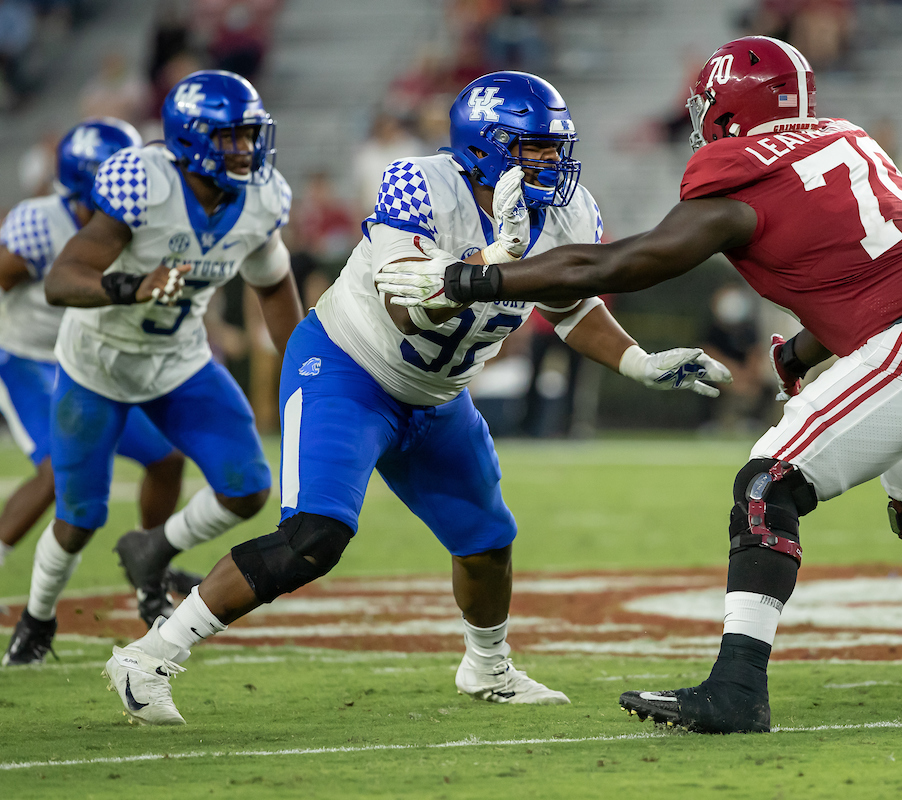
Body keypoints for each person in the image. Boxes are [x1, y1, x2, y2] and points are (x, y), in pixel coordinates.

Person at [379, 37, 902, 733]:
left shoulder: (741, 165)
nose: (704, 118)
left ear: (735, 106)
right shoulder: (847, 138)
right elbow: (877, 257)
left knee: (767, 485)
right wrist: (801, 348)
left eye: (709, 104)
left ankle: (737, 687)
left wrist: (474, 278)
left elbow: (629, 263)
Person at [102, 70, 730, 726]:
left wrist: (639, 361)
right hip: (348, 369)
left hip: (436, 394)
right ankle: (149, 656)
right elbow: (408, 312)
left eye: (557, 147)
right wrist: (496, 257)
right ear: (486, 147)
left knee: (487, 541)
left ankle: (487, 667)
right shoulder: (421, 184)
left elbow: (570, 307)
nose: (555, 163)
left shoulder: (571, 209)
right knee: (313, 537)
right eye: (538, 149)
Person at [0, 71, 303, 665]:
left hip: (179, 361)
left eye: (250, 137)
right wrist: (134, 285)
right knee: (80, 514)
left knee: (248, 487)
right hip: (97, 365)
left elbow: (272, 286)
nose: (246, 151)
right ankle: (36, 618)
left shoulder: (262, 198)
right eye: (231, 139)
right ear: (191, 141)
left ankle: (153, 548)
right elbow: (63, 279)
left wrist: (307, 368)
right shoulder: (144, 180)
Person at [0, 119, 189, 617]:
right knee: (60, 471)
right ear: (94, 180)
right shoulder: (40, 227)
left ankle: (151, 564)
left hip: (83, 365)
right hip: (20, 359)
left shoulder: (138, 225)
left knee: (167, 457)